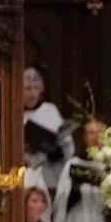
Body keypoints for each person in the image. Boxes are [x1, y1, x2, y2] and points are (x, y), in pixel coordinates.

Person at [53, 117, 107, 222]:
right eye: (91, 133)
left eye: (99, 133)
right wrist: (75, 189)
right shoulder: (73, 164)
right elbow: (61, 201)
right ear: (84, 137)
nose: (95, 138)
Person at [22, 67, 75, 196]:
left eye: (36, 88)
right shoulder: (11, 112)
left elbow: (68, 146)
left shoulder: (50, 110)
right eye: (28, 89)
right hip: (24, 177)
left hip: (49, 179)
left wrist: (58, 152)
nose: (32, 93)